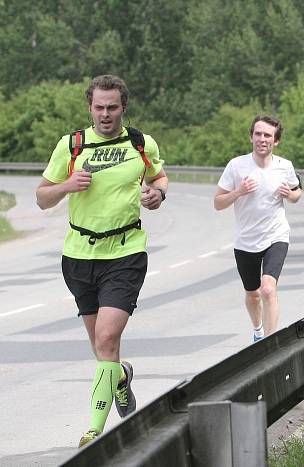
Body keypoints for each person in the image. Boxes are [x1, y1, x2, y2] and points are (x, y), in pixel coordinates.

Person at [35, 74, 168, 448]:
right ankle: (121, 378)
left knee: (108, 338)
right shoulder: (72, 145)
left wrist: (157, 194)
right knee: (103, 350)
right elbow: (42, 198)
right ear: (89, 107)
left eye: (112, 107)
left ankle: (93, 431)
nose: (105, 114)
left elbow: (159, 177)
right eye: (99, 107)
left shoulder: (140, 142)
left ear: (123, 106)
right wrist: (66, 186)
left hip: (126, 251)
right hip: (78, 256)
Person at [214, 115, 302, 342]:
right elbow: (218, 203)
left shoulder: (285, 166)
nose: (262, 139)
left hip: (276, 235)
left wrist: (290, 195)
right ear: (251, 136)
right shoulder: (237, 166)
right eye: (258, 134)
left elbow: (296, 193)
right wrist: (238, 192)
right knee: (253, 295)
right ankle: (258, 331)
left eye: (268, 135)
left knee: (268, 290)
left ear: (276, 141)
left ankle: (270, 345)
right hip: (246, 241)